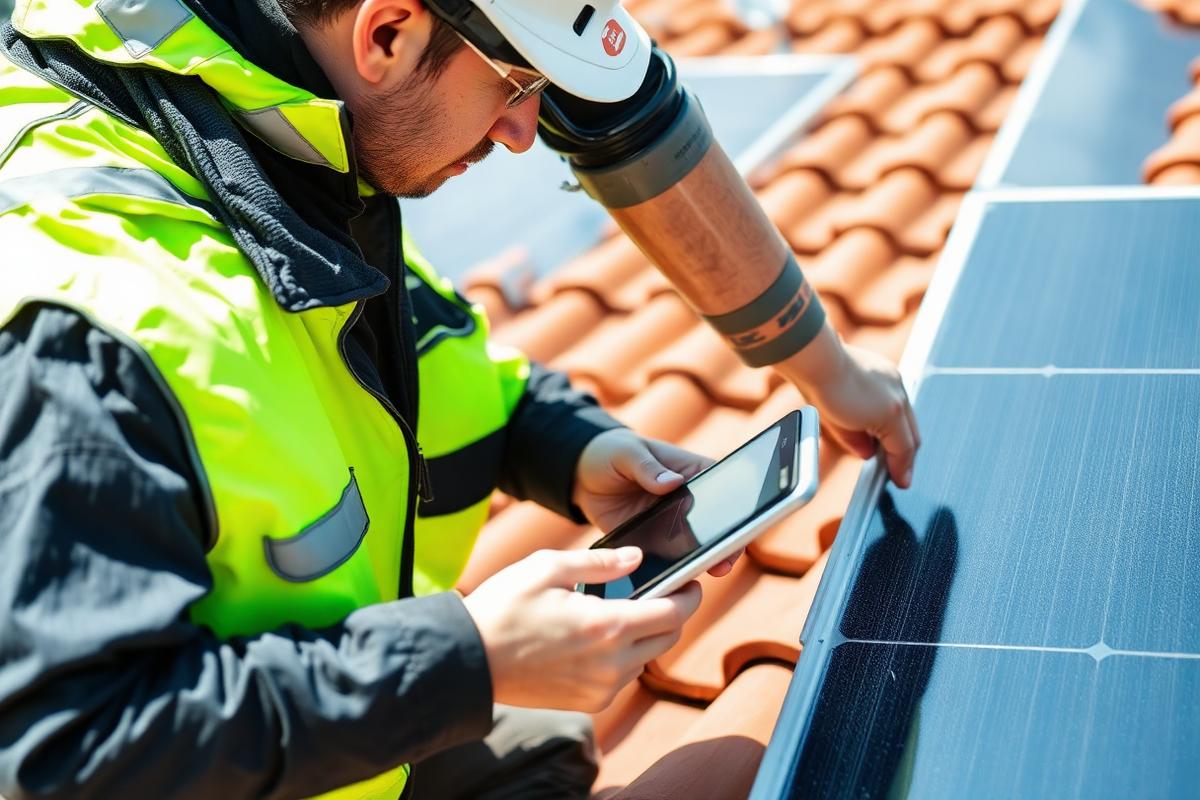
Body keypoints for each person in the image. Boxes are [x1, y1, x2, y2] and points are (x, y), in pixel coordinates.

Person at [0, 0, 917, 798]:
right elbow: (59, 750)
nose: (525, 133)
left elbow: (423, 361)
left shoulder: (270, 146)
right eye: (517, 83)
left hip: (312, 738)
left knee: (539, 743)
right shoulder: (87, 325)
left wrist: (574, 452)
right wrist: (463, 666)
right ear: (388, 31)